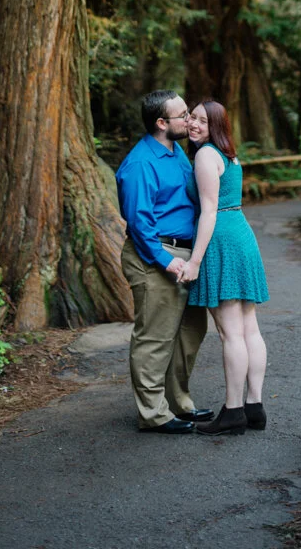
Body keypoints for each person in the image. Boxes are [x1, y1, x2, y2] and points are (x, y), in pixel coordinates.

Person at [116, 90, 211, 433]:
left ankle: (179, 402)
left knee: (190, 330)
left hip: (187, 254)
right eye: (183, 114)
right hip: (156, 256)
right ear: (161, 123)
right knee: (155, 337)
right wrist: (164, 260)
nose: (189, 119)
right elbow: (139, 222)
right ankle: (153, 414)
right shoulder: (141, 163)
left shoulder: (178, 154)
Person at [180, 99, 269, 436]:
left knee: (232, 332)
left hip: (221, 240)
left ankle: (233, 411)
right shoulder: (231, 155)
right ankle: (254, 406)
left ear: (216, 125)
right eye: (192, 118)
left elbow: (209, 210)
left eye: (203, 121)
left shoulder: (205, 155)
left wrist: (195, 260)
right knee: (249, 328)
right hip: (241, 234)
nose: (194, 125)